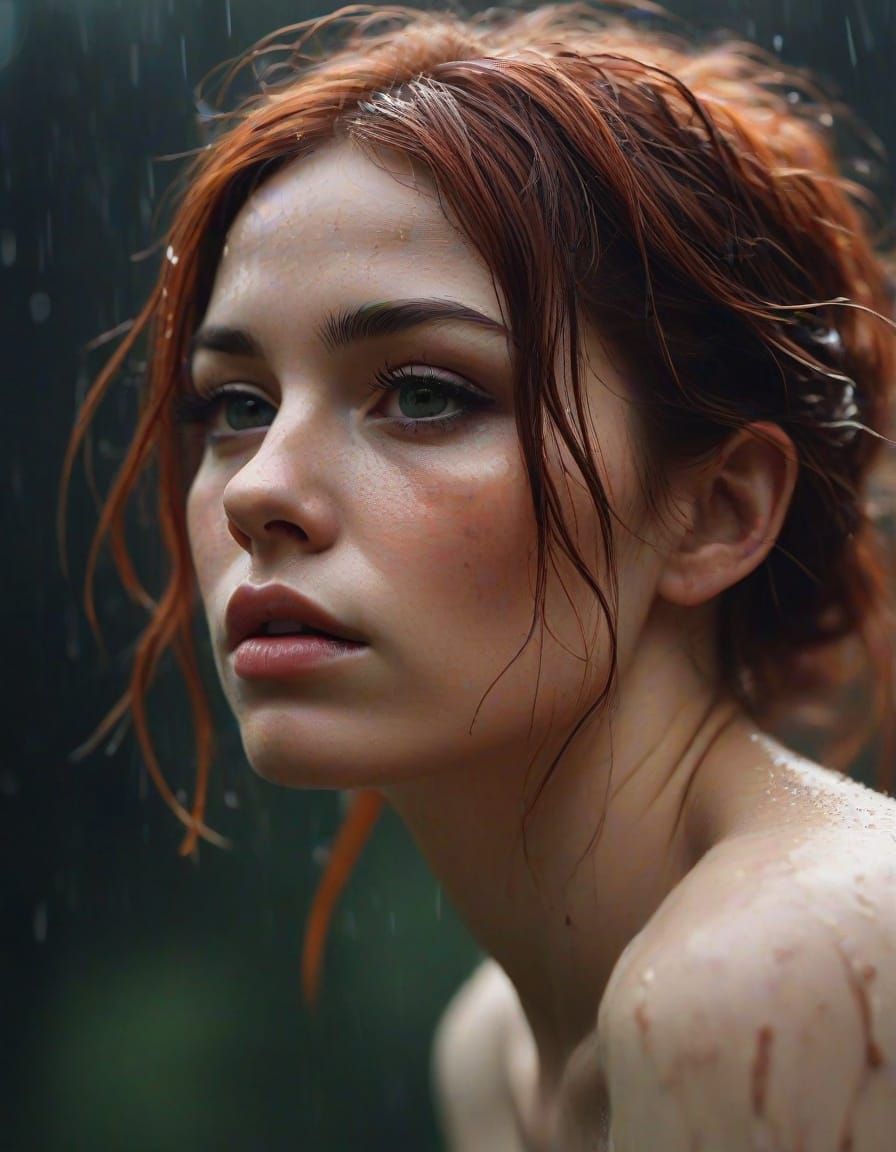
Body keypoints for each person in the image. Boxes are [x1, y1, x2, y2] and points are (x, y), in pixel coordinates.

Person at [59, 3, 896, 1149]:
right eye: (235, 406)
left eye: (424, 394)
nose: (259, 487)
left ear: (715, 510)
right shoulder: (493, 1049)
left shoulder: (788, 963)